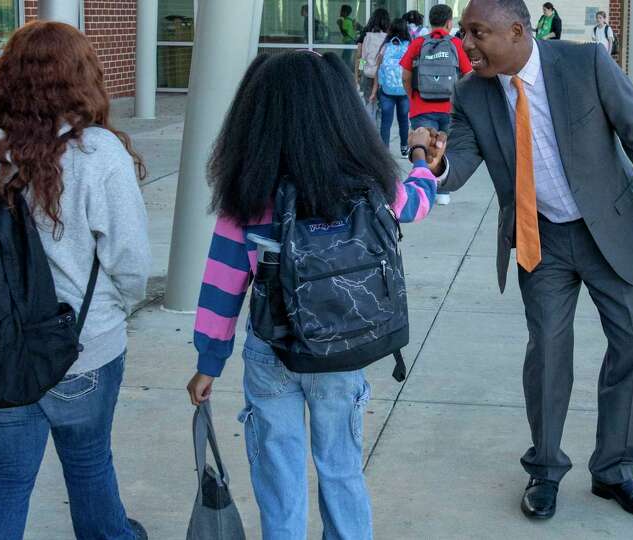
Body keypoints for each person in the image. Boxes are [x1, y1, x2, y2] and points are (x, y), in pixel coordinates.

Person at [423, 0, 633, 520]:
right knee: (547, 352)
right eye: (464, 33)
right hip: (539, 239)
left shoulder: (586, 64)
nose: (468, 44)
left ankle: (615, 470)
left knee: (631, 345)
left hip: (611, 232)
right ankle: (545, 470)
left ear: (517, 30)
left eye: (477, 32)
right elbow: (458, 162)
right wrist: (435, 166)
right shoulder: (471, 94)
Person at [185, 51, 440, 540]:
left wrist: (209, 361)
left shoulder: (249, 192)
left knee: (278, 477)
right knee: (341, 470)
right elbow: (416, 204)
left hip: (272, 350)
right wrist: (425, 162)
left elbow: (223, 284)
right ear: (340, 112)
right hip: (342, 351)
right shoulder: (367, 183)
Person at [0, 22, 151, 540]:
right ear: (82, 78)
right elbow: (130, 261)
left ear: (6, 76)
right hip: (78, 344)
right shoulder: (96, 153)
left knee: (2, 477)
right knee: (90, 464)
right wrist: (117, 309)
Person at [401, 3, 473, 205]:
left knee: (423, 148)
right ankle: (443, 192)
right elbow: (468, 76)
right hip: (450, 108)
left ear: (429, 22)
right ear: (450, 23)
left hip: (421, 107)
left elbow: (406, 75)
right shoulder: (456, 44)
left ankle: (423, 191)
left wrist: (412, 96)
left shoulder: (418, 43)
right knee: (444, 147)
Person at [371, 18, 412, 156]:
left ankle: (384, 151)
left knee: (386, 122)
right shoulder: (409, 46)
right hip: (404, 90)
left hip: (386, 91)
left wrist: (375, 89)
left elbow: (378, 67)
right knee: (403, 120)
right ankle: (404, 148)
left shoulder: (386, 46)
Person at [356, 8, 391, 115]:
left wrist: (359, 72)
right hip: (383, 76)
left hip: (368, 74)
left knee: (369, 105)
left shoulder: (366, 36)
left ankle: (369, 129)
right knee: (382, 107)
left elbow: (360, 57)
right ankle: (379, 131)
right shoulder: (389, 37)